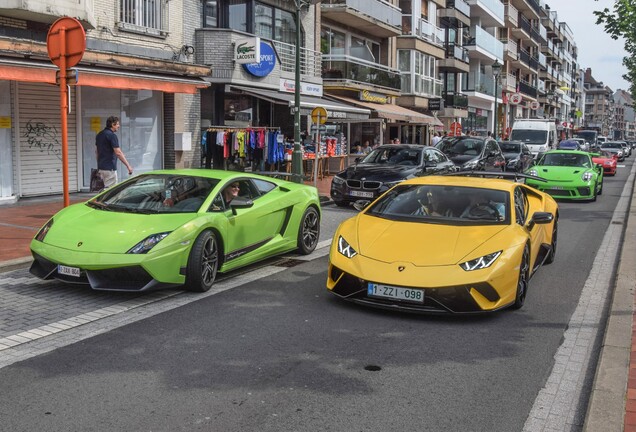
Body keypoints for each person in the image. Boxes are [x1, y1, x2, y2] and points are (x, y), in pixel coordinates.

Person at [95, 116, 133, 188]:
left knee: (102, 190)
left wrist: (99, 163)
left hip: (101, 168)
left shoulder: (99, 135)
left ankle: (100, 199)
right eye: (117, 124)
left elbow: (97, 151)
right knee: (111, 191)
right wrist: (128, 166)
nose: (119, 126)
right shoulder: (112, 136)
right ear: (113, 125)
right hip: (110, 169)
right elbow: (118, 152)